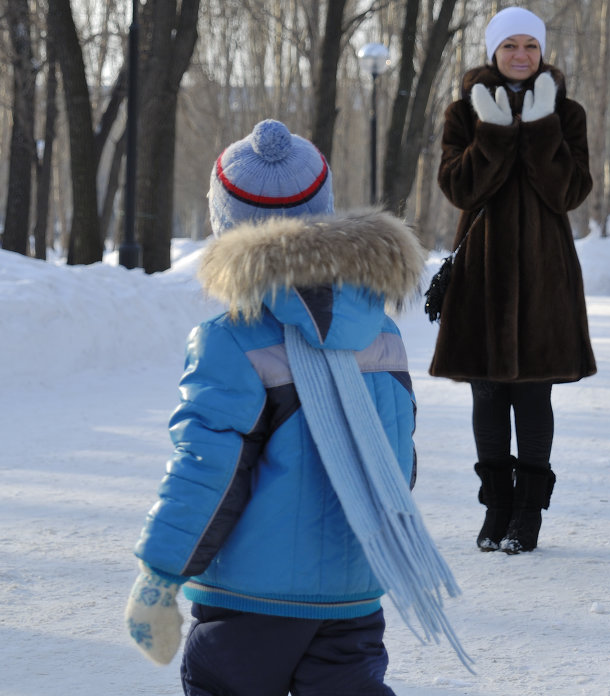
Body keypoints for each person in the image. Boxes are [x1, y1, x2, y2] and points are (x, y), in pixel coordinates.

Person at [124, 119, 468, 693]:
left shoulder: (232, 338)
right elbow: (397, 462)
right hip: (353, 592)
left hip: (250, 600)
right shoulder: (378, 330)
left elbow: (208, 472)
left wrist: (159, 575)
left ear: (225, 226)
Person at [429, 6, 596, 555]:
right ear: (492, 52)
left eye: (530, 45)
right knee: (487, 395)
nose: (520, 55)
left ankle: (528, 512)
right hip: (482, 273)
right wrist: (495, 133)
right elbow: (460, 189)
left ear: (541, 51)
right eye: (509, 46)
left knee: (533, 395)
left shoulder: (566, 114)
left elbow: (568, 193)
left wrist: (544, 125)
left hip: (545, 275)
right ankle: (495, 505)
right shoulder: (464, 111)